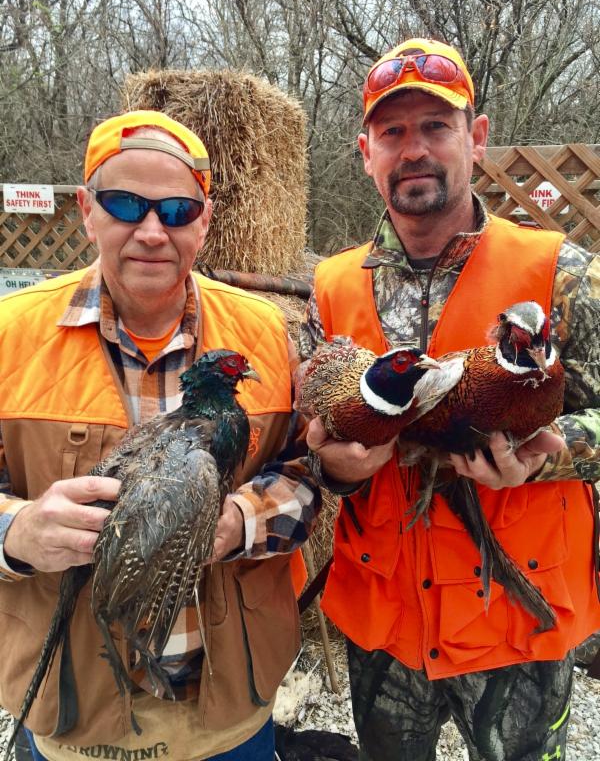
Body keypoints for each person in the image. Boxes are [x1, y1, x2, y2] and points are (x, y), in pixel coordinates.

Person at [299, 38, 600, 761]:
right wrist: (332, 465)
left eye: (436, 127)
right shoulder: (331, 286)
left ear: (478, 137)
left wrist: (549, 459)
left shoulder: (559, 270)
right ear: (366, 150)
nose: (415, 150)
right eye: (394, 132)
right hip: (384, 622)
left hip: (517, 618)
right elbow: (308, 436)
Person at [0, 110, 320, 761]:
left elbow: (309, 477)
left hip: (227, 709)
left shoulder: (266, 331)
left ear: (204, 220)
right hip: (74, 712)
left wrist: (237, 523)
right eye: (125, 203)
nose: (152, 230)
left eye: (176, 209)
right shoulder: (11, 335)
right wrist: (17, 533)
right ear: (86, 211)